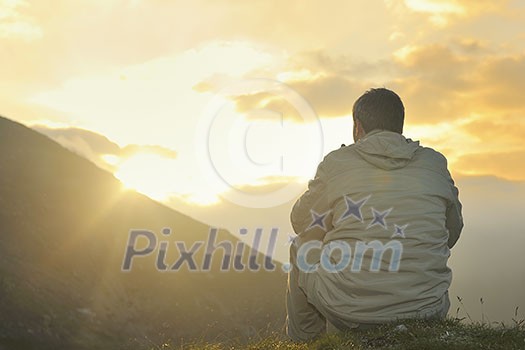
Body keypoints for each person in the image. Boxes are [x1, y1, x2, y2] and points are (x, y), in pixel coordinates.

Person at [286, 88, 463, 341]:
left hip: (352, 313)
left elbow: (300, 222)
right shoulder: (434, 164)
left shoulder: (337, 164)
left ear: (358, 127)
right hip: (427, 310)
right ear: (399, 126)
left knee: (301, 245)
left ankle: (306, 342)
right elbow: (452, 232)